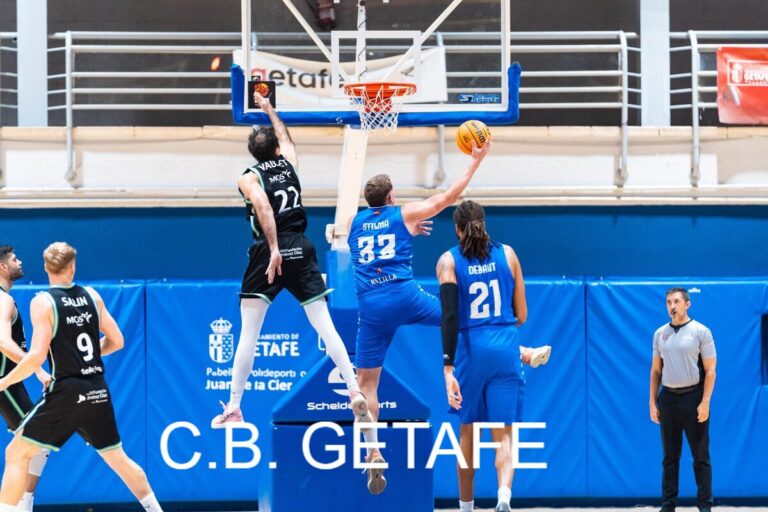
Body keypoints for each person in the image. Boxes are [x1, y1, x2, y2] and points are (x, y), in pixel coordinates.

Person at [347, 140, 550, 494]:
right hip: (404, 295)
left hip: (371, 306)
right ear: (392, 198)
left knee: (366, 386)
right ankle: (520, 352)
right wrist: (475, 161)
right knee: (461, 316)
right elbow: (449, 196)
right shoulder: (405, 213)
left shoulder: (353, 222)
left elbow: (374, 238)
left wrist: (407, 228)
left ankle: (373, 449)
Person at [211, 91, 370, 432]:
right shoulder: (290, 163)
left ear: (253, 153)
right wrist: (269, 108)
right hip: (302, 245)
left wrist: (272, 250)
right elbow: (285, 136)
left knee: (249, 333)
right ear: (277, 150)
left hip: (269, 250)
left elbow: (264, 208)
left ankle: (235, 407)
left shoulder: (249, 177)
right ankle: (353, 386)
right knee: (324, 325)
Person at [0, 242, 163, 512]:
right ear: (73, 267)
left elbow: (37, 357)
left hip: (66, 391)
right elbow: (117, 341)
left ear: (45, 267)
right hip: (98, 390)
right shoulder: (92, 295)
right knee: (119, 459)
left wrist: (5, 381)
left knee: (16, 452)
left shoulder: (43, 301)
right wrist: (84, 355)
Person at [436, 200, 529, 512]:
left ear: (457, 228)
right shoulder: (509, 254)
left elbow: (449, 317)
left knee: (468, 431)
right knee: (503, 433)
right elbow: (522, 315)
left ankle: (466, 506)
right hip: (505, 347)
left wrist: (448, 366)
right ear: (484, 224)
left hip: (470, 351)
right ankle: (504, 496)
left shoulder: (448, 261)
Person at [649, 287, 716, 512]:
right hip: (668, 398)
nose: (672, 306)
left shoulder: (701, 331)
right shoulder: (660, 333)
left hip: (693, 397)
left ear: (687, 304)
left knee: (700, 456)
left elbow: (711, 370)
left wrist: (705, 401)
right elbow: (656, 371)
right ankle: (668, 505)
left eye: (676, 301)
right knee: (669, 456)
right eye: (668, 302)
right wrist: (652, 402)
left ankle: (704, 505)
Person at [0, 246, 52, 512]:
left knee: (36, 441)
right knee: (36, 438)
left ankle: (22, 503)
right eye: (14, 259)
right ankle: (19, 505)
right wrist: (39, 369)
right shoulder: (3, 300)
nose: (20, 262)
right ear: (3, 267)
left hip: (10, 381)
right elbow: (3, 342)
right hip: (3, 383)